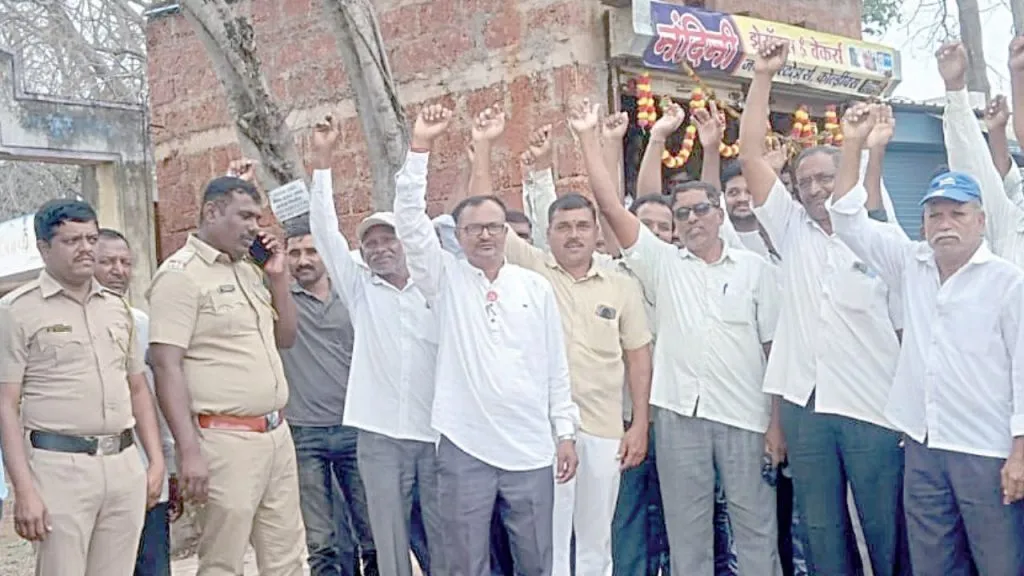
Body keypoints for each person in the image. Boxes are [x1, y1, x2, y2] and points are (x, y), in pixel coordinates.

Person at [573, 97, 783, 575]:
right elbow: (611, 206)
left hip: (745, 418)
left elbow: (774, 352)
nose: (691, 220)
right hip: (678, 419)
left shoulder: (754, 270)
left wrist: (776, 426)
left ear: (719, 214)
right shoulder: (663, 265)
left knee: (755, 532)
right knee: (688, 538)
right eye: (682, 214)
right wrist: (588, 138)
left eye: (700, 210)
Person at [829, 101, 1024, 575]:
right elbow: (847, 220)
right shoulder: (909, 264)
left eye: (957, 213)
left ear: (981, 221)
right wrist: (852, 145)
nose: (945, 224)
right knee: (933, 563)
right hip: (923, 445)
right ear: (923, 224)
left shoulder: (1008, 282)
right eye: (935, 215)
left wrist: (1020, 450)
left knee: (999, 562)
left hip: (986, 450)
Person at [737, 40, 908, 575]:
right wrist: (762, 77)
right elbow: (749, 156)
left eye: (825, 179)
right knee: (820, 530)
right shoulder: (791, 230)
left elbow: (905, 331)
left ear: (845, 180)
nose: (813, 189)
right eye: (804, 181)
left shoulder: (883, 241)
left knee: (886, 527)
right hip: (806, 405)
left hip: (874, 405)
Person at [394, 103, 580, 576]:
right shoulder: (445, 279)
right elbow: (409, 223)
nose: (485, 236)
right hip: (465, 446)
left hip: (531, 447)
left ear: (506, 232)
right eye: (473, 229)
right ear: (457, 236)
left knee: (536, 562)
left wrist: (564, 432)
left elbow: (555, 368)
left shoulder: (534, 287)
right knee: (465, 564)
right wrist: (420, 146)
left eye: (494, 227)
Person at [147, 172, 306, 576]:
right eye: (245, 216)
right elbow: (166, 365)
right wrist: (188, 451)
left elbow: (287, 337)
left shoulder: (251, 269)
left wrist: (277, 277)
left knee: (287, 558)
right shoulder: (180, 276)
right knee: (224, 561)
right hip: (224, 439)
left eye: (257, 218)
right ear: (212, 212)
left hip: (276, 435)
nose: (255, 227)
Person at [308, 114, 445, 576]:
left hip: (435, 435)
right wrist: (323, 161)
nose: (380, 248)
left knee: (442, 542)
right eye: (370, 243)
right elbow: (324, 231)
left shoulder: (437, 287)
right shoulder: (360, 289)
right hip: (380, 437)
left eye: (390, 239)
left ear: (408, 244)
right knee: (389, 546)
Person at [0, 198, 164, 576]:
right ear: (44, 248)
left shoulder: (117, 308)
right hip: (59, 467)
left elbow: (138, 388)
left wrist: (154, 461)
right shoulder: (16, 311)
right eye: (72, 241)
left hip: (123, 464)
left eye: (91, 238)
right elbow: (5, 404)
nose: (86, 249)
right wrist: (24, 490)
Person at [503, 190, 654, 576]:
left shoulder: (620, 285)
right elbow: (491, 218)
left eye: (582, 226)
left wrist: (639, 424)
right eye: (564, 227)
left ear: (596, 232)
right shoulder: (532, 271)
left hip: (603, 427)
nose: (574, 235)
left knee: (595, 540)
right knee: (547, 539)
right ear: (548, 233)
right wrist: (480, 158)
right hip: (544, 430)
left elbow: (638, 357)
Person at [279, 218, 377, 576]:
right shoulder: (279, 301)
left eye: (311, 251)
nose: (303, 260)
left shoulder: (353, 294)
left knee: (374, 534)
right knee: (322, 542)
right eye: (294, 253)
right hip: (305, 433)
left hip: (356, 427)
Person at [93, 228, 179, 576]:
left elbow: (155, 400)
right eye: (107, 262)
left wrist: (168, 467)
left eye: (125, 262)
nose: (118, 271)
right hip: (93, 477)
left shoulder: (142, 324)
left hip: (146, 474)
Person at [611, 194, 673, 576]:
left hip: (675, 421)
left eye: (663, 227)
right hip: (623, 419)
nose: (653, 233)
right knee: (627, 520)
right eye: (645, 224)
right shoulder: (607, 274)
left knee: (680, 520)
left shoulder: (683, 275)